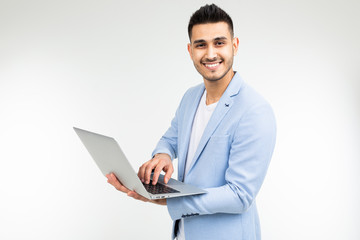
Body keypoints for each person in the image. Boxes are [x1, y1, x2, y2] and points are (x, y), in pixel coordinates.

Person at [106, 4, 276, 240]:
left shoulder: (255, 110)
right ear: (190, 50)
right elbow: (170, 139)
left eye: (219, 42)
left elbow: (240, 195)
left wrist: (166, 199)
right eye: (201, 45)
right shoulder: (190, 97)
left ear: (234, 45)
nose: (210, 54)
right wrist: (162, 155)